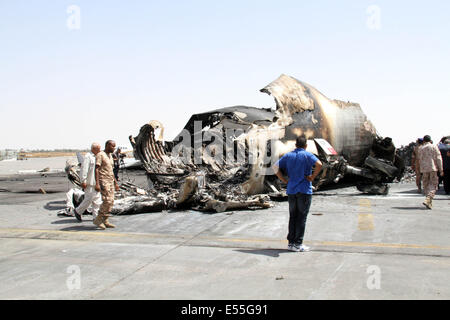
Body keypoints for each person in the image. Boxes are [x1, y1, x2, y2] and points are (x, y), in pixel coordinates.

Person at [273, 136, 322, 252]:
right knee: (301, 217)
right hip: (304, 190)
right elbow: (319, 164)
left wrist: (284, 180)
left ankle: (291, 243)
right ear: (305, 146)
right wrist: (312, 177)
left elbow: (275, 167)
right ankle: (298, 244)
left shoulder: (288, 155)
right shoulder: (307, 155)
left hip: (291, 190)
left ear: (295, 145)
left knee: (293, 216)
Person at [73, 143, 102, 222]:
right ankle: (78, 211)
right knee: (88, 199)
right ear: (94, 149)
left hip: (96, 183)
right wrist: (83, 181)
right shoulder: (88, 157)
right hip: (89, 183)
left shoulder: (97, 157)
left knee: (97, 201)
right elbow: (84, 169)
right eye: (98, 149)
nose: (100, 150)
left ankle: (96, 218)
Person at [95, 140, 120, 229]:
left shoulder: (110, 156)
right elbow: (97, 169)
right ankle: (98, 218)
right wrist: (97, 183)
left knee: (111, 201)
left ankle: (105, 220)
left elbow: (111, 170)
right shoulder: (100, 155)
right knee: (107, 200)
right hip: (103, 180)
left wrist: (116, 183)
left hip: (110, 181)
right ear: (107, 146)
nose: (114, 148)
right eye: (113, 146)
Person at [418, 135, 443, 209]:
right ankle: (428, 198)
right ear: (430, 140)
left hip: (424, 169)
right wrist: (441, 169)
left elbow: (419, 159)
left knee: (426, 185)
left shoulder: (420, 148)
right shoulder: (433, 146)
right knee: (433, 184)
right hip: (432, 168)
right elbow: (438, 158)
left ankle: (428, 202)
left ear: (424, 140)